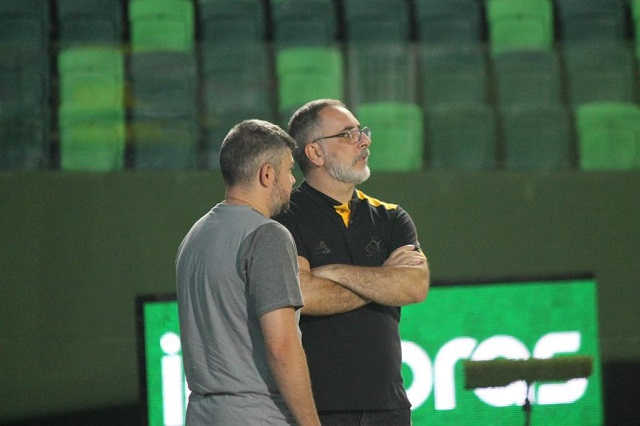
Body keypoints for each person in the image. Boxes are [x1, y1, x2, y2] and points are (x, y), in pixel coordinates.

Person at [274, 99, 430, 425]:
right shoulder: (286, 218)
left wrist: (334, 273)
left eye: (362, 132)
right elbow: (304, 294)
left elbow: (415, 285)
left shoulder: (392, 217)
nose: (365, 141)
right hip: (318, 411)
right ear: (315, 153)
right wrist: (385, 280)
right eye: (348, 135)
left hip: (389, 407)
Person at [176, 119, 320, 426]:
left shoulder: (193, 237)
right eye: (288, 169)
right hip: (259, 416)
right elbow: (282, 348)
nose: (293, 180)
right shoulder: (268, 235)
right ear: (267, 174)